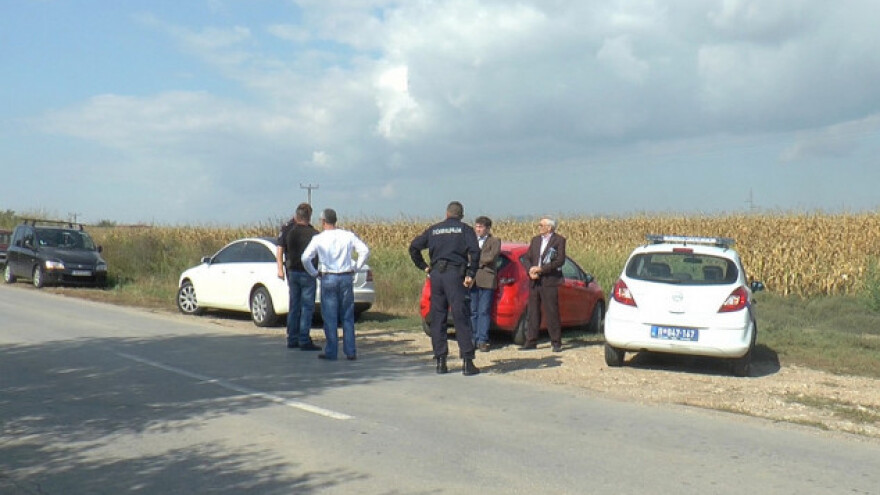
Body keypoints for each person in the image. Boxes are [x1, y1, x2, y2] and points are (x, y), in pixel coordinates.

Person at [409, 201, 481, 376]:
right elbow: (475, 252)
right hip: (455, 275)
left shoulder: (434, 229)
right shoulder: (465, 230)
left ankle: (441, 361)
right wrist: (471, 274)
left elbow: (414, 247)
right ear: (461, 215)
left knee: (438, 317)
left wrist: (425, 267)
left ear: (447, 213)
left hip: (437, 276)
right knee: (460, 316)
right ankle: (467, 362)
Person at [301, 208, 370, 361]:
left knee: (330, 316)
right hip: (345, 276)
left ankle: (332, 351)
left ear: (323, 221)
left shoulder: (319, 238)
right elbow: (364, 250)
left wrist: (314, 272)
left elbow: (305, 258)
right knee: (347, 315)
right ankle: (350, 351)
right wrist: (356, 267)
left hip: (328, 277)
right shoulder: (347, 235)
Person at [276, 202, 321, 351]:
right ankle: (304, 339)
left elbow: (281, 249)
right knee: (307, 307)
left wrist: (280, 269)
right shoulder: (314, 234)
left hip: (292, 272)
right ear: (309, 217)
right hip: (307, 273)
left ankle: (292, 338)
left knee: (294, 306)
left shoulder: (289, 231)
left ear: (297, 216)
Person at [521, 216, 566, 352]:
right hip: (535, 280)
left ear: (549, 227)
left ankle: (556, 342)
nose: (539, 227)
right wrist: (530, 270)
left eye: (541, 225)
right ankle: (531, 340)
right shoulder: (535, 240)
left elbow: (560, 260)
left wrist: (542, 269)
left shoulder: (558, 240)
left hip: (549, 280)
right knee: (533, 311)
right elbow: (527, 257)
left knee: (551, 311)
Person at [470, 216, 501, 353]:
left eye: (481, 227)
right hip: (472, 279)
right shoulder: (471, 241)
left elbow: (491, 257)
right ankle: (472, 338)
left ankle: (482, 339)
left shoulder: (494, 241)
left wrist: (475, 261)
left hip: (487, 279)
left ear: (488, 229)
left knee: (484, 311)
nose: (478, 229)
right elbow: (466, 255)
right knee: (473, 311)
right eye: (476, 226)